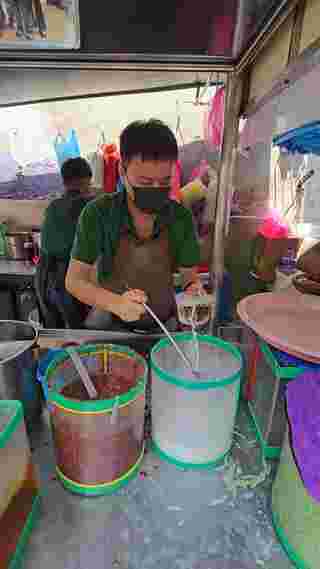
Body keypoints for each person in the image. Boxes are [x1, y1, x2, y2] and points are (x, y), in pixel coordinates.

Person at [66, 119, 203, 332]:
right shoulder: (98, 213)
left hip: (163, 324)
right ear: (122, 171)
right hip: (110, 323)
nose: (157, 189)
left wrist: (193, 290)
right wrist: (117, 304)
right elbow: (74, 280)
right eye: (146, 183)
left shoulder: (180, 217)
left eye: (165, 181)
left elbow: (189, 278)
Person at [37, 157, 93, 328]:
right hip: (68, 279)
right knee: (79, 335)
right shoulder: (90, 207)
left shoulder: (53, 206)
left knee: (56, 332)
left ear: (63, 181)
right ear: (86, 180)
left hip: (45, 278)